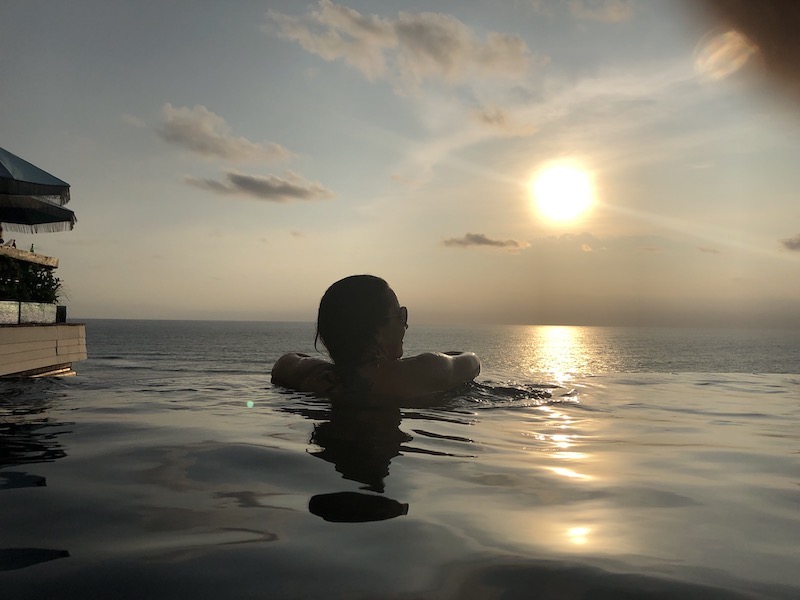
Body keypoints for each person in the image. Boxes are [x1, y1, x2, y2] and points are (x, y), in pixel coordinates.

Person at [271, 274, 480, 404]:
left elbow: (287, 361)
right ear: (376, 330)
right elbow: (471, 362)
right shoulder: (417, 373)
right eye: (400, 316)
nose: (404, 325)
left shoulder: (309, 377)